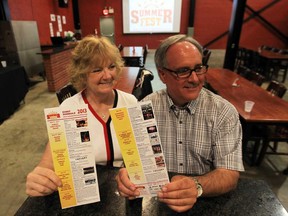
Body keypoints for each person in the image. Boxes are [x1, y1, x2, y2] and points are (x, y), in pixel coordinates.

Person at [115, 34, 244, 213]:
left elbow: (229, 174)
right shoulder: (144, 108)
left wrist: (196, 185)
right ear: (162, 74)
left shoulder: (223, 112)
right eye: (183, 71)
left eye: (198, 68)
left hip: (204, 203)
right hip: (157, 203)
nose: (194, 79)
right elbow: (134, 160)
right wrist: (126, 173)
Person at [26, 35, 138, 197]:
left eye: (111, 66)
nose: (107, 76)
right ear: (82, 74)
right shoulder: (69, 108)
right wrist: (40, 177)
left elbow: (140, 151)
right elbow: (49, 161)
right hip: (85, 192)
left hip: (125, 189)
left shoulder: (130, 101)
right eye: (97, 70)